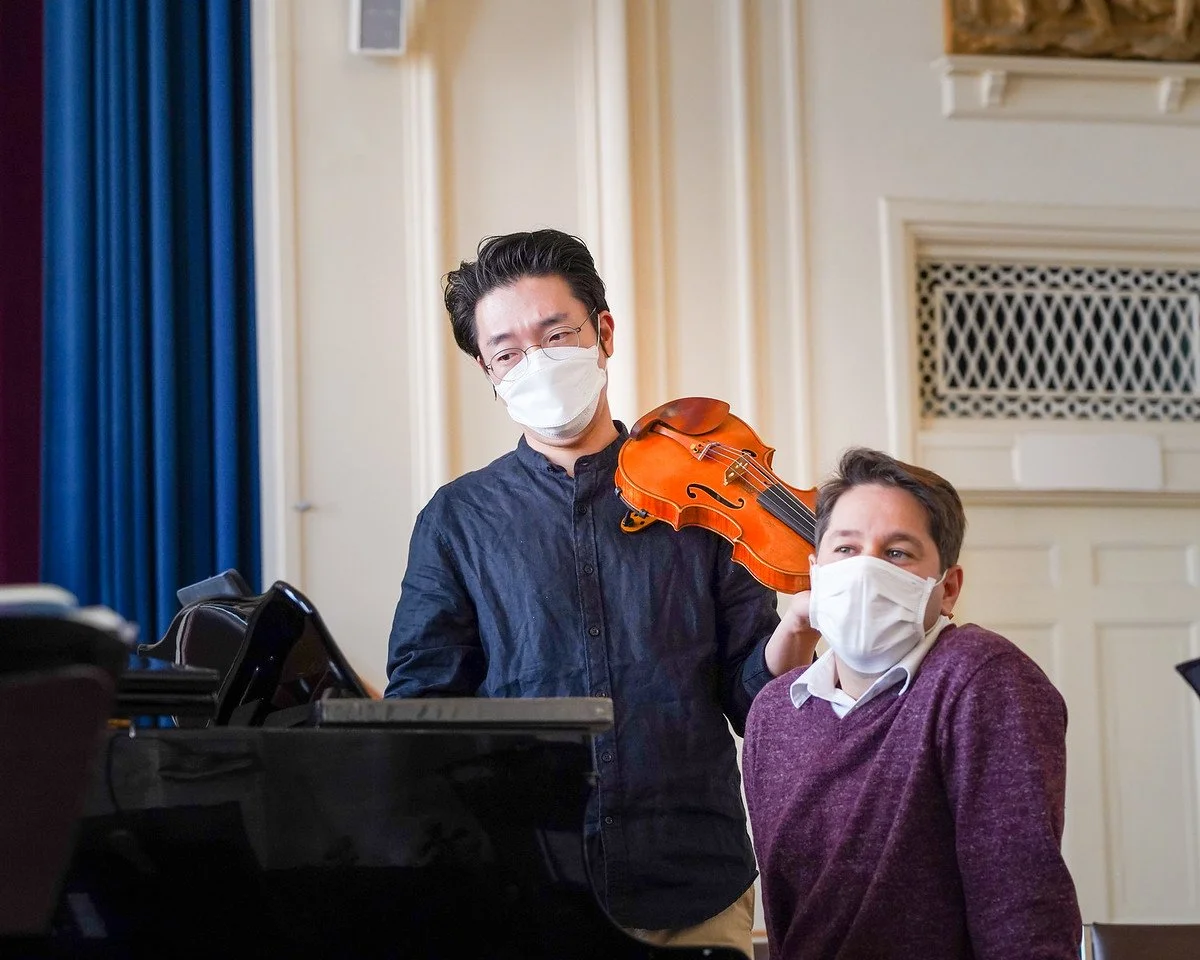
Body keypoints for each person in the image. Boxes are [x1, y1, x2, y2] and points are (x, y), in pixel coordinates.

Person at [385, 229, 818, 957]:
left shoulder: (703, 499)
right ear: (489, 373)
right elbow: (422, 711)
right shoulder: (456, 520)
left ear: (603, 333)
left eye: (556, 335)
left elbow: (752, 700)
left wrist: (800, 629)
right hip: (525, 893)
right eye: (507, 353)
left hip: (691, 884)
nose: (536, 363)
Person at [742, 447, 1082, 960]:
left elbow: (1021, 902)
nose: (865, 571)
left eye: (897, 553)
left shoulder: (982, 680)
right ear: (816, 571)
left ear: (947, 589)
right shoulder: (773, 714)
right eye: (846, 549)